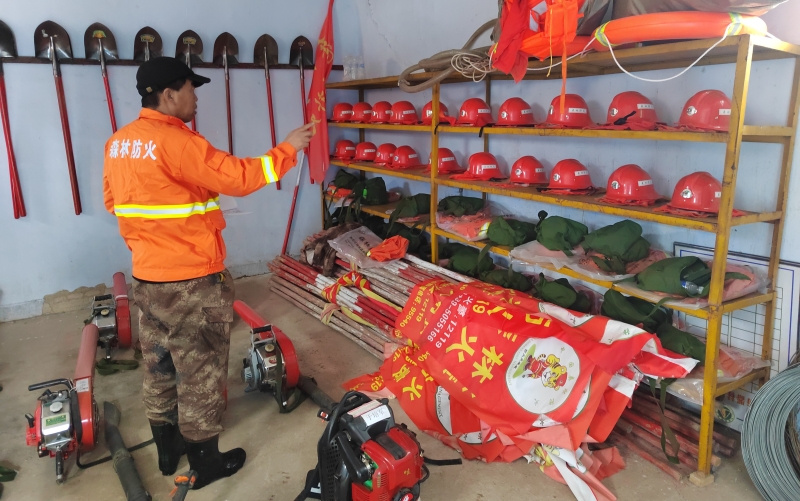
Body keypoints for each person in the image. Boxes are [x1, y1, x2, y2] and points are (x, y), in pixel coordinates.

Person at [102, 56, 313, 490]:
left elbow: (113, 202)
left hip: (147, 277)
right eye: (190, 88)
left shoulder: (119, 143)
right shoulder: (179, 142)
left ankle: (167, 453)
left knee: (158, 364)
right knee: (200, 372)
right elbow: (241, 178)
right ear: (169, 94)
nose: (196, 97)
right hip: (192, 280)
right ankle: (206, 464)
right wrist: (288, 148)